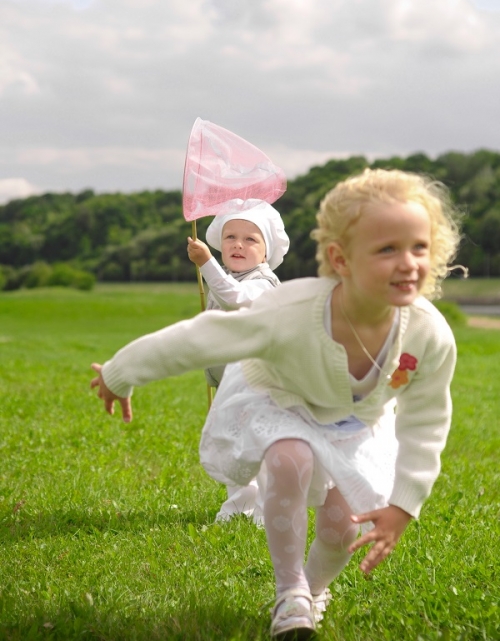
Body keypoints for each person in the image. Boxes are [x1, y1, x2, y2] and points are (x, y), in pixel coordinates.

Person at [91, 168, 462, 640]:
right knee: (289, 460)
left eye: (419, 247)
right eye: (387, 249)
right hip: (284, 402)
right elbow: (206, 335)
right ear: (340, 258)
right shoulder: (293, 309)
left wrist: (404, 504)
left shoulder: (428, 333)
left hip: (357, 424)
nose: (407, 262)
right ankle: (289, 593)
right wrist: (123, 372)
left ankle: (315, 588)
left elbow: (427, 422)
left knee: (342, 524)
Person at [186, 199, 290, 525]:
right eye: (230, 237)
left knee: (258, 445)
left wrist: (205, 264)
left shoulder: (263, 283)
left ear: (266, 251)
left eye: (250, 239)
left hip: (259, 382)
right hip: (230, 381)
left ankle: (267, 511)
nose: (238, 245)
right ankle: (237, 507)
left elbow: (235, 298)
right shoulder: (228, 277)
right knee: (232, 444)